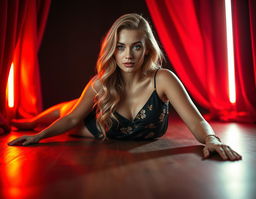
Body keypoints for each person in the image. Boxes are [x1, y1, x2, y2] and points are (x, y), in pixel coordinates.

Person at [8, 13, 242, 161]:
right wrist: (38, 135)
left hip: (110, 119)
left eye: (136, 47)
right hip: (95, 128)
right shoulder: (101, 83)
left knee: (71, 107)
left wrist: (212, 139)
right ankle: (31, 120)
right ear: (113, 49)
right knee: (68, 111)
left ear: (147, 48)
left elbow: (197, 120)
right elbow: (70, 121)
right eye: (121, 47)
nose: (128, 55)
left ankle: (32, 120)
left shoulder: (163, 79)